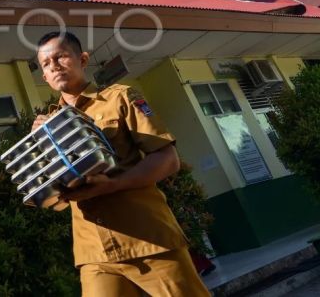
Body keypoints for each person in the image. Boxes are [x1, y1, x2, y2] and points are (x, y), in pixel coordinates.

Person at [32, 30, 209, 297]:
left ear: (82, 59)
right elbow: (52, 184)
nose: (54, 66)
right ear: (44, 77)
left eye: (61, 57)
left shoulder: (120, 98)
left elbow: (167, 159)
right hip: (94, 253)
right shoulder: (46, 126)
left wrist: (113, 184)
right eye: (46, 64)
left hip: (148, 241)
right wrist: (41, 143)